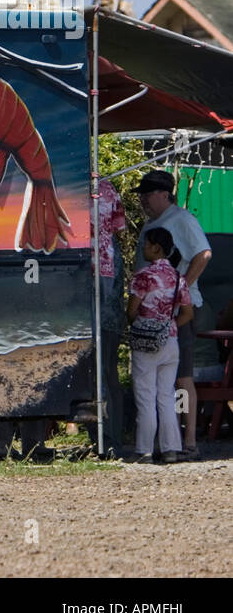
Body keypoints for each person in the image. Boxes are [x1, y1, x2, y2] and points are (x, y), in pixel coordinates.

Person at [133, 170, 212, 459]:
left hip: (181, 311)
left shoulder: (182, 219)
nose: (142, 199)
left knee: (181, 376)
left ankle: (188, 440)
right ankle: (167, 441)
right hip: (152, 318)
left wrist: (179, 290)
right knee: (160, 381)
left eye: (147, 193)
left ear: (164, 194)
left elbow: (203, 254)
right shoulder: (151, 224)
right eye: (141, 194)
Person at [127, 227, 192, 463]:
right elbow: (187, 313)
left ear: (156, 248)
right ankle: (171, 448)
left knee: (145, 396)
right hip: (170, 339)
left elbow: (132, 311)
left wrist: (144, 325)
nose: (143, 247)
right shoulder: (177, 277)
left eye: (146, 244)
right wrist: (168, 325)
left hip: (146, 343)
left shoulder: (143, 276)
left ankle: (144, 449)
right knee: (166, 395)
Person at [95, 179, 128, 455]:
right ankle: (111, 438)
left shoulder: (67, 183)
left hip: (79, 273)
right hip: (109, 279)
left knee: (96, 371)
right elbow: (119, 228)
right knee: (108, 369)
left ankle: (104, 438)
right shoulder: (107, 188)